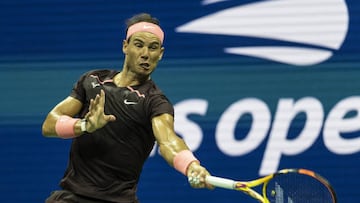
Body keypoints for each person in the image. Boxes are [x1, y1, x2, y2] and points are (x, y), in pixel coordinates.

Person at [42, 13, 213, 203]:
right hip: (71, 198)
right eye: (139, 45)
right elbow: (49, 124)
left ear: (161, 54)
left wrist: (191, 166)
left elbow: (168, 141)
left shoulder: (154, 101)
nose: (146, 54)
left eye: (153, 48)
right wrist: (84, 126)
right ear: (125, 46)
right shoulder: (93, 81)